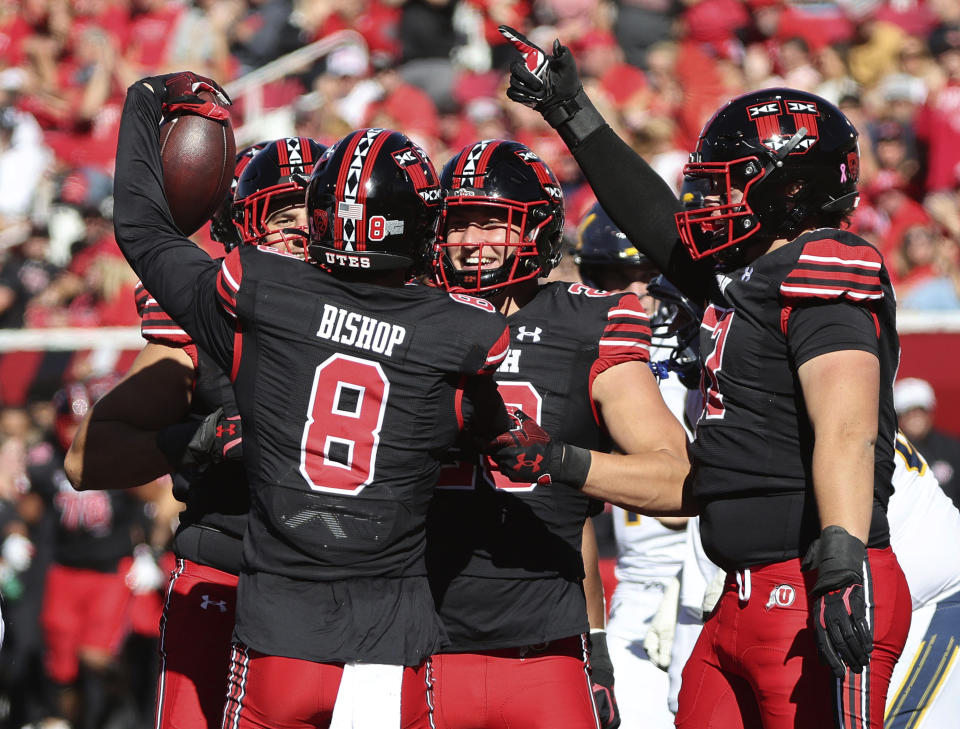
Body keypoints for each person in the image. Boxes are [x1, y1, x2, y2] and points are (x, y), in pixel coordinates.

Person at [498, 27, 911, 728]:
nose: (706, 200)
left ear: (789, 191)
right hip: (736, 596)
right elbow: (656, 222)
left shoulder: (826, 262)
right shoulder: (750, 277)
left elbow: (846, 423)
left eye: (731, 182)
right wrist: (572, 112)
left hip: (811, 580)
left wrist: (841, 557)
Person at [112, 72, 517, 728]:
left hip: (281, 633)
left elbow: (141, 229)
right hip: (391, 640)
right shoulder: (461, 330)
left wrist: (143, 103)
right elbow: (495, 434)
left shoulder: (260, 293)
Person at [426, 139, 690, 729]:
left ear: (536, 231)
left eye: (492, 223)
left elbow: (679, 482)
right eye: (458, 224)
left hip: (545, 647)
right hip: (418, 644)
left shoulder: (589, 322)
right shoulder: (407, 315)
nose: (472, 244)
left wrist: (560, 460)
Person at [64, 137, 324, 729]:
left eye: (314, 213)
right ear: (242, 227)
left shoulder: (398, 315)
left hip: (354, 590)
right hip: (228, 569)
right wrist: (198, 439)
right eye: (283, 215)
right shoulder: (205, 320)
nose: (301, 232)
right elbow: (88, 459)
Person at [573, 204, 691, 729]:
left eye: (647, 277)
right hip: (639, 587)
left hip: (712, 574)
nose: (635, 294)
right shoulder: (589, 357)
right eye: (617, 278)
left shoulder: (705, 354)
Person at [893, 377, 960, 510]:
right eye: (907, 412)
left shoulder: (953, 448)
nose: (914, 417)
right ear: (898, 417)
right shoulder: (890, 452)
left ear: (930, 412)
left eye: (919, 410)